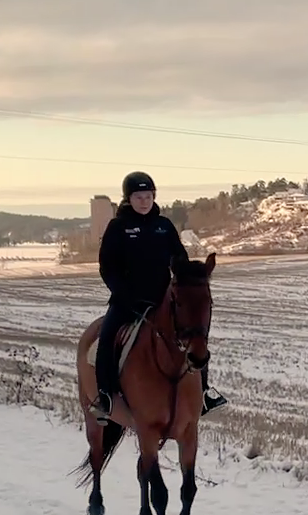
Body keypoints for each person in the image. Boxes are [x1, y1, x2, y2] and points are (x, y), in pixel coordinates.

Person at [89, 171, 227, 422]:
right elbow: (107, 267)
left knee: (195, 335)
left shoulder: (164, 226)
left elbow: (180, 260)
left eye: (148, 196)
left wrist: (189, 279)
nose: (144, 201)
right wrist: (124, 294)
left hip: (163, 299)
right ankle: (105, 396)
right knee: (107, 338)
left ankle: (205, 392)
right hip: (127, 301)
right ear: (128, 199)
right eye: (139, 196)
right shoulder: (117, 227)